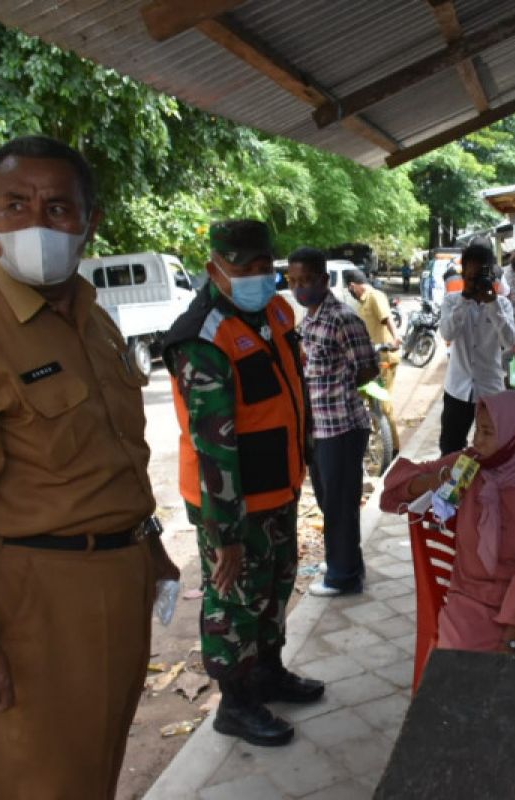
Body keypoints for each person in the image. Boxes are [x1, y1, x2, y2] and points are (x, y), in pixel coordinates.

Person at [0, 135, 178, 797]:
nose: (37, 223)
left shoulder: (93, 320)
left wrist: (149, 546)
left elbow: (111, 460)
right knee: (37, 786)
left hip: (112, 581)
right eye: (16, 206)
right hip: (26, 607)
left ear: (89, 222)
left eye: (58, 207)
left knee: (91, 774)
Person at [163, 220, 324, 747]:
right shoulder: (202, 337)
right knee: (234, 598)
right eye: (243, 269)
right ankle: (236, 703)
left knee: (275, 585)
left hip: (277, 486)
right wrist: (226, 534)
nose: (258, 278)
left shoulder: (276, 311)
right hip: (227, 501)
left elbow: (291, 391)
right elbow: (214, 445)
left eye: (264, 267)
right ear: (215, 268)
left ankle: (269, 673)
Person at [381, 391, 515, 653]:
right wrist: (432, 481)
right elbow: (393, 486)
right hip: (470, 601)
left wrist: (510, 643)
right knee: (461, 672)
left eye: (486, 432)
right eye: (477, 431)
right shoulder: (472, 467)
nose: (476, 442)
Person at [287, 247, 380, 597]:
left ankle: (344, 577)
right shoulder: (309, 319)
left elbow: (368, 367)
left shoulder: (343, 318)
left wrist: (340, 384)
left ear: (324, 280)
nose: (299, 288)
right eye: (293, 281)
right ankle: (342, 559)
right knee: (329, 501)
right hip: (318, 427)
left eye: (306, 280)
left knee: (340, 502)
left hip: (341, 426)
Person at [438, 242, 515, 454]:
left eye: (480, 276)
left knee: (493, 449)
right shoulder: (451, 301)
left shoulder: (503, 305)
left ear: (491, 275)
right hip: (457, 389)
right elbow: (447, 334)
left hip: (490, 389)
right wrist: (464, 300)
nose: (475, 282)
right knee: (450, 448)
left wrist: (492, 304)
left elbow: (510, 342)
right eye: (470, 277)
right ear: (463, 275)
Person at [344, 269, 402, 454]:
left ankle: (393, 449)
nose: (350, 292)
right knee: (369, 403)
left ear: (352, 285)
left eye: (349, 289)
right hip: (370, 360)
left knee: (384, 406)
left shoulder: (375, 296)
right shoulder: (361, 304)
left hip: (385, 358)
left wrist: (396, 338)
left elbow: (387, 318)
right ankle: (381, 446)